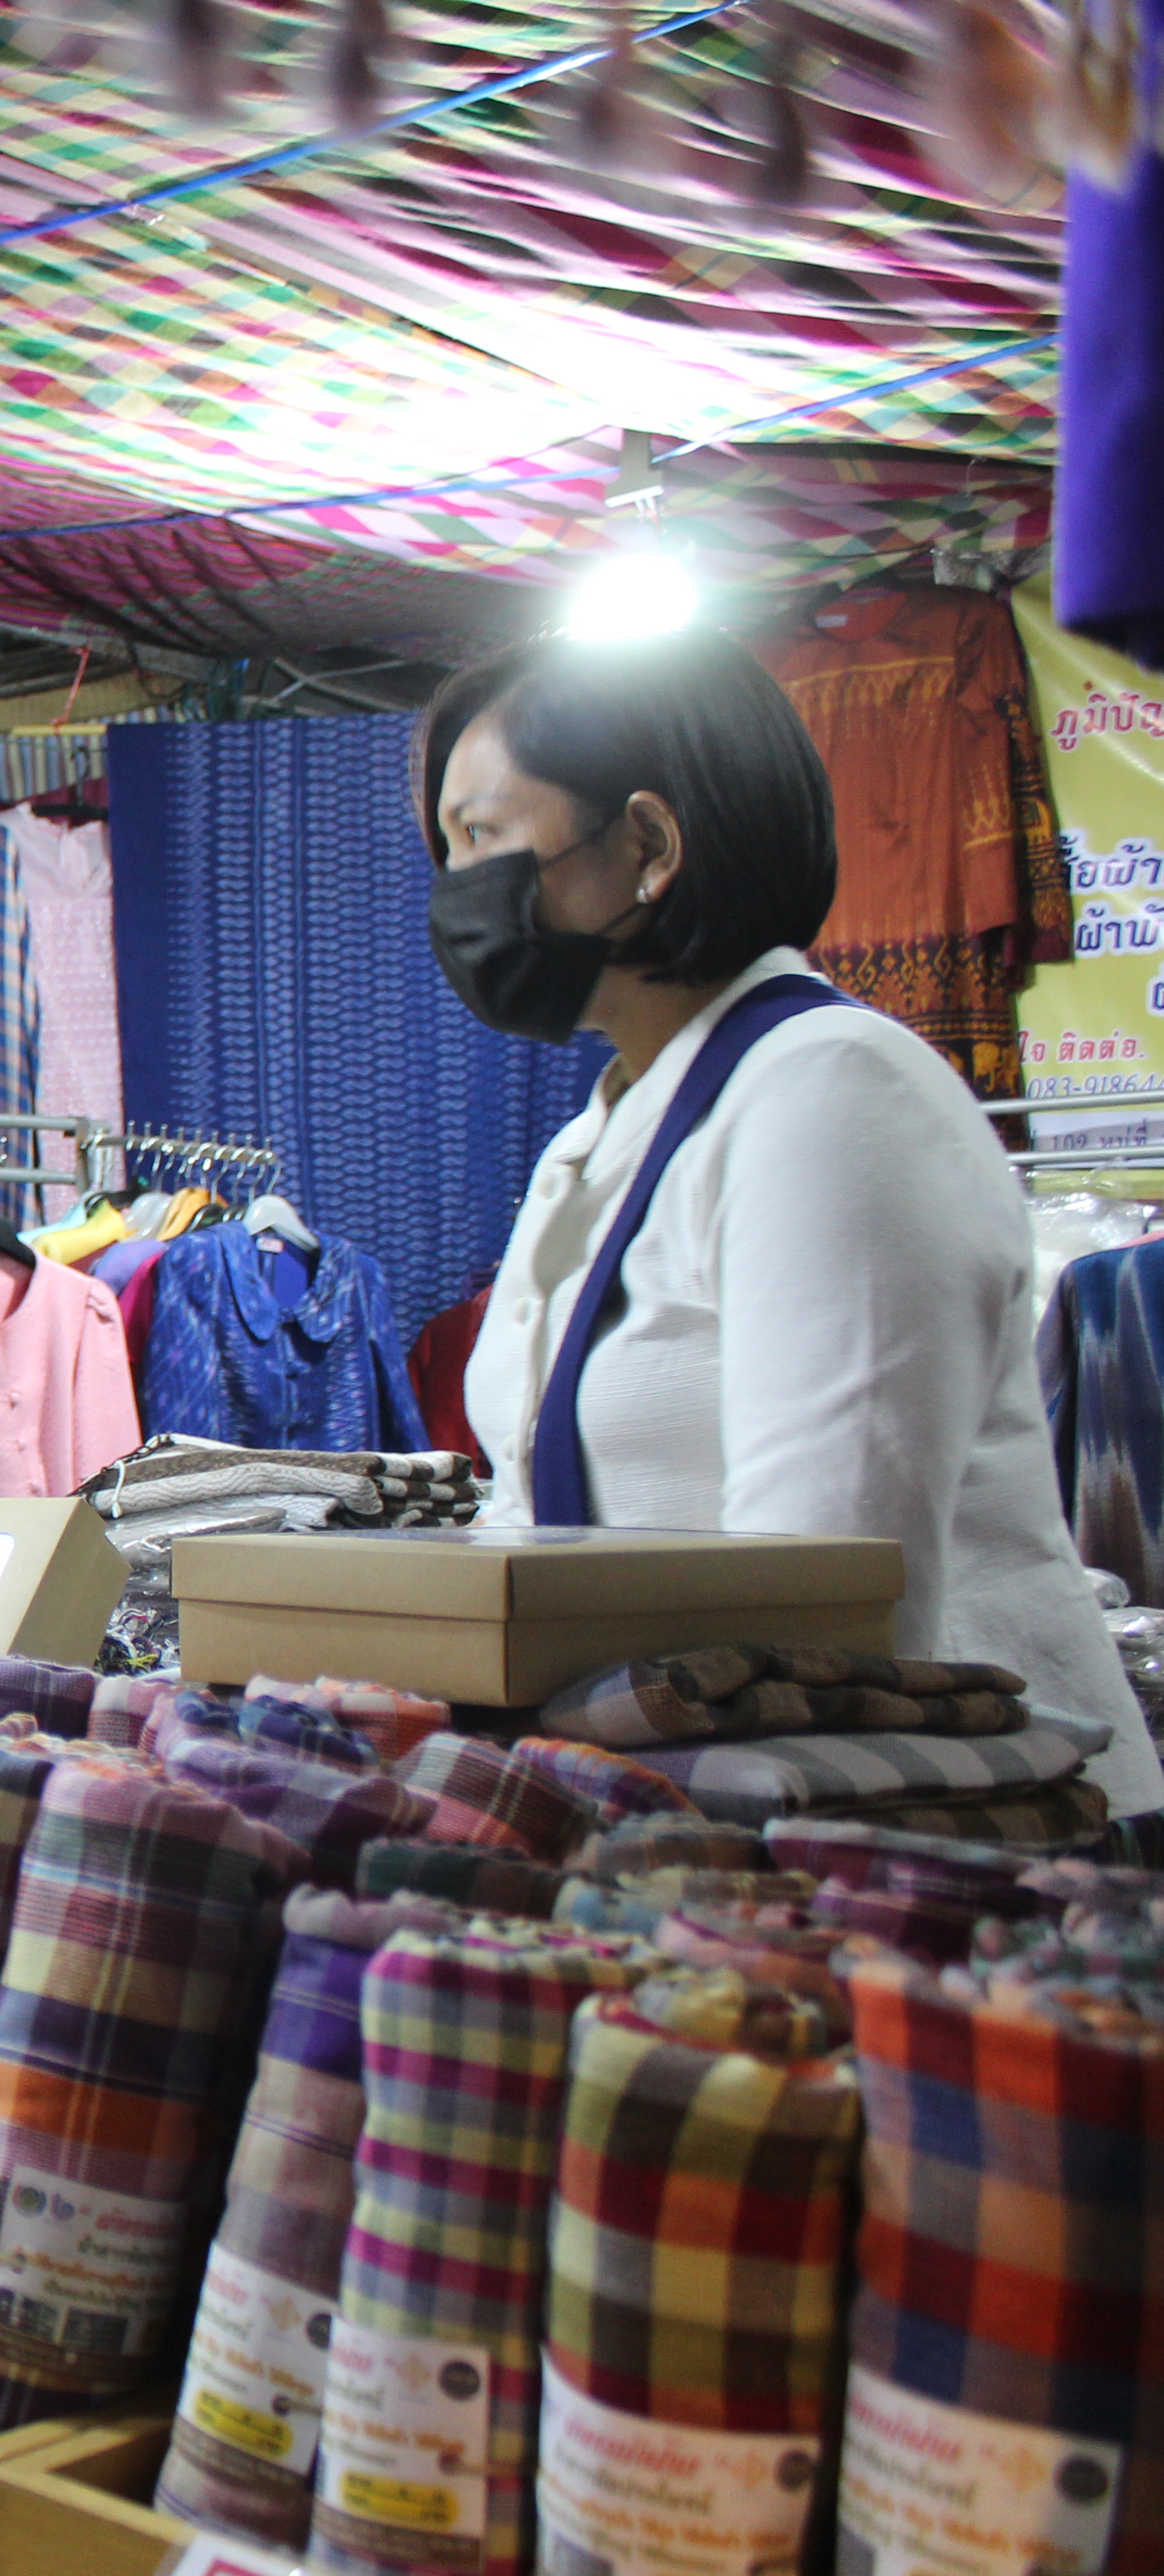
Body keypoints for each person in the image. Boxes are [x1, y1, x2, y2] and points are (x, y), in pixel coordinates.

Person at [424, 624, 1164, 1811]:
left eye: (485, 841)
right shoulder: (599, 1138)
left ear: (651, 844)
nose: (458, 895)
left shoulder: (832, 1094)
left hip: (941, 1841)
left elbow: (826, 1604)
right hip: (715, 1814)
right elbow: (531, 1522)